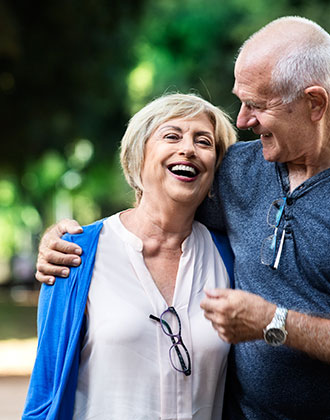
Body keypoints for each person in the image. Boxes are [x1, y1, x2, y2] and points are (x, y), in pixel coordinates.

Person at [36, 16, 330, 419]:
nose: (243, 120)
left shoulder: (217, 250)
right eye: (240, 102)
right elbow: (161, 201)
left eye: (257, 105)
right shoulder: (239, 170)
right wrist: (62, 237)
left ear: (315, 103)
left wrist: (273, 322)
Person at [23, 93, 237, 419]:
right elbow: (45, 392)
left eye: (204, 142)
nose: (189, 149)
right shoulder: (75, 255)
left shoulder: (231, 258)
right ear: (137, 158)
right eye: (172, 136)